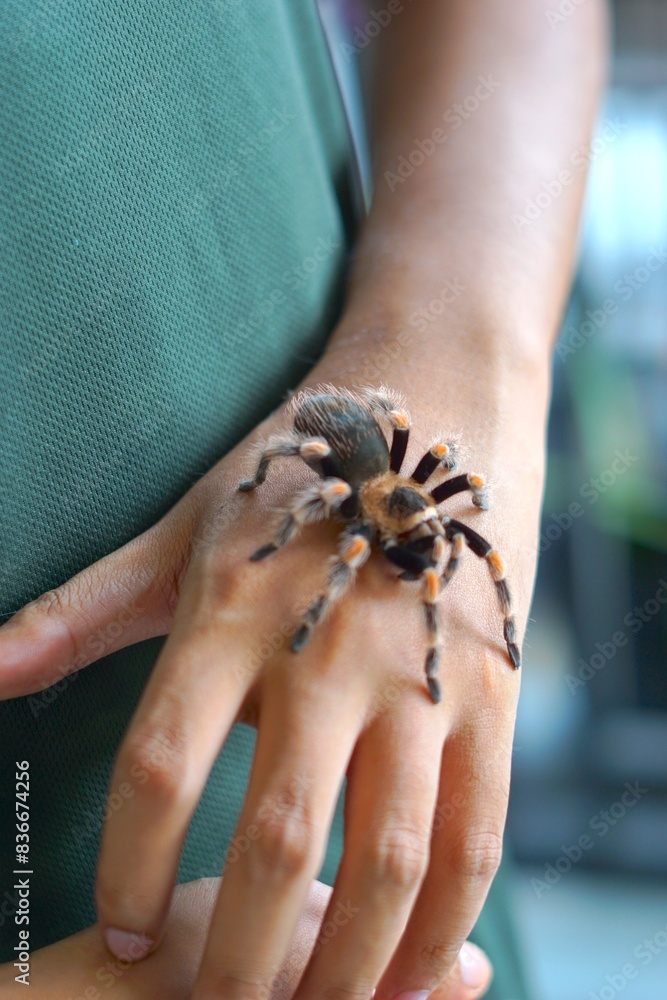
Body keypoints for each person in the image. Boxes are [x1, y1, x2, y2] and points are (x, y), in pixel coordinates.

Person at [0, 1, 608, 997]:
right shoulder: (350, 508)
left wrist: (464, 348)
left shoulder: (429, 502)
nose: (420, 549)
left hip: (361, 780)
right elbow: (310, 513)